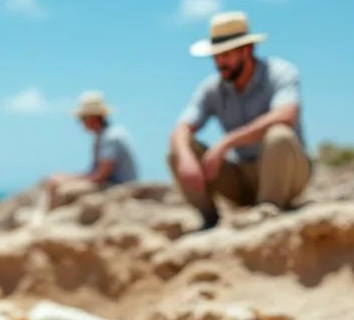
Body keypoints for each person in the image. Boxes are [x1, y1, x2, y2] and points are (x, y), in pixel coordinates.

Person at [167, 10, 311, 231]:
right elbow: (181, 128)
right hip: (241, 180)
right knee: (177, 152)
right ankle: (209, 221)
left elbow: (286, 115)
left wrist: (227, 142)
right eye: (215, 56)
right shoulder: (212, 88)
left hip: (288, 174)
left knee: (279, 135)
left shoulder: (280, 72)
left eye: (225, 54)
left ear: (247, 49)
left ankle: (268, 209)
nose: (219, 62)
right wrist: (185, 158)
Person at [40, 91, 139, 210]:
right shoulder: (105, 136)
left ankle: (49, 216)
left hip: (118, 187)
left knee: (60, 187)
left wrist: (72, 180)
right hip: (113, 183)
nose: (81, 123)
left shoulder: (110, 137)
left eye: (82, 119)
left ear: (92, 118)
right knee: (56, 179)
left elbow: (101, 175)